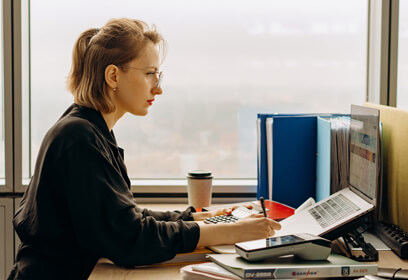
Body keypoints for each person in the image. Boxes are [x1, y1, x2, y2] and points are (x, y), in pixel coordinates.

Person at [8, 18, 281, 280]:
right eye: (150, 74)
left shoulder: (89, 130)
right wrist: (230, 233)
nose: (158, 89)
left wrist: (201, 217)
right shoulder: (80, 138)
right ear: (113, 75)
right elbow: (130, 238)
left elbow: (124, 216)